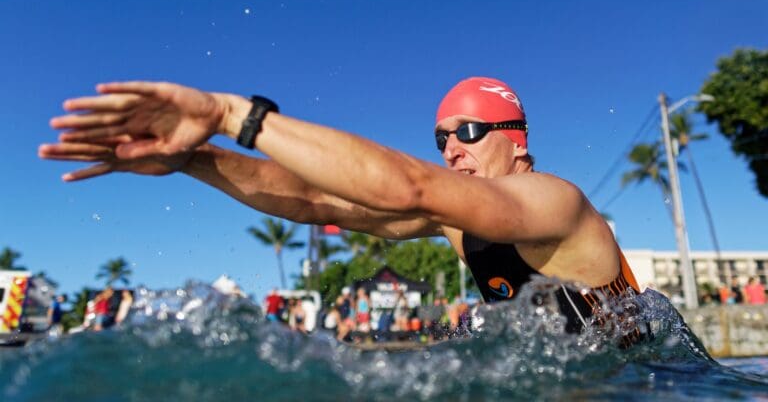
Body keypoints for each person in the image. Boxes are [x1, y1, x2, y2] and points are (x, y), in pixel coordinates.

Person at [39, 77, 643, 338]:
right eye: (440, 138)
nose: (450, 149)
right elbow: (314, 198)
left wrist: (232, 116)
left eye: (468, 132)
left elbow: (411, 185)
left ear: (518, 140)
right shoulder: (458, 227)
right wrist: (191, 159)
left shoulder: (556, 203)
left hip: (650, 386)